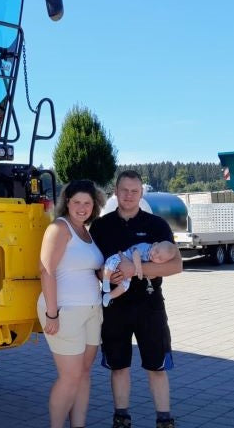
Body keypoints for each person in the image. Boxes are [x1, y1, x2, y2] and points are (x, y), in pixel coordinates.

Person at [90, 171, 183, 428]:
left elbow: (176, 266)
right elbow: (94, 267)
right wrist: (106, 274)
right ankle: (121, 418)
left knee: (156, 366)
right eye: (124, 190)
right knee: (119, 366)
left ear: (141, 193)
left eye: (134, 191)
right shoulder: (101, 226)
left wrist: (136, 270)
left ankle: (164, 420)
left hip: (149, 306)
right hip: (115, 308)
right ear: (116, 192)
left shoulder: (156, 225)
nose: (129, 196)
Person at [38, 180, 106, 428]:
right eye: (76, 201)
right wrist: (52, 314)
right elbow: (46, 271)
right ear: (67, 202)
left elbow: (91, 268)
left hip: (91, 311)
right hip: (64, 312)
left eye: (87, 203)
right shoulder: (59, 228)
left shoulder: (86, 231)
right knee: (70, 377)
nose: (81, 207)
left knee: (84, 374)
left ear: (94, 205)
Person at [101, 241, 179, 307]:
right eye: (156, 251)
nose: (155, 256)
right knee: (111, 264)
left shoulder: (152, 259)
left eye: (160, 258)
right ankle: (106, 280)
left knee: (125, 286)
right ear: (155, 244)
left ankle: (109, 296)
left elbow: (151, 275)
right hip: (121, 257)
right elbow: (135, 254)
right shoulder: (146, 247)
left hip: (127, 274)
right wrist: (138, 268)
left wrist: (149, 274)